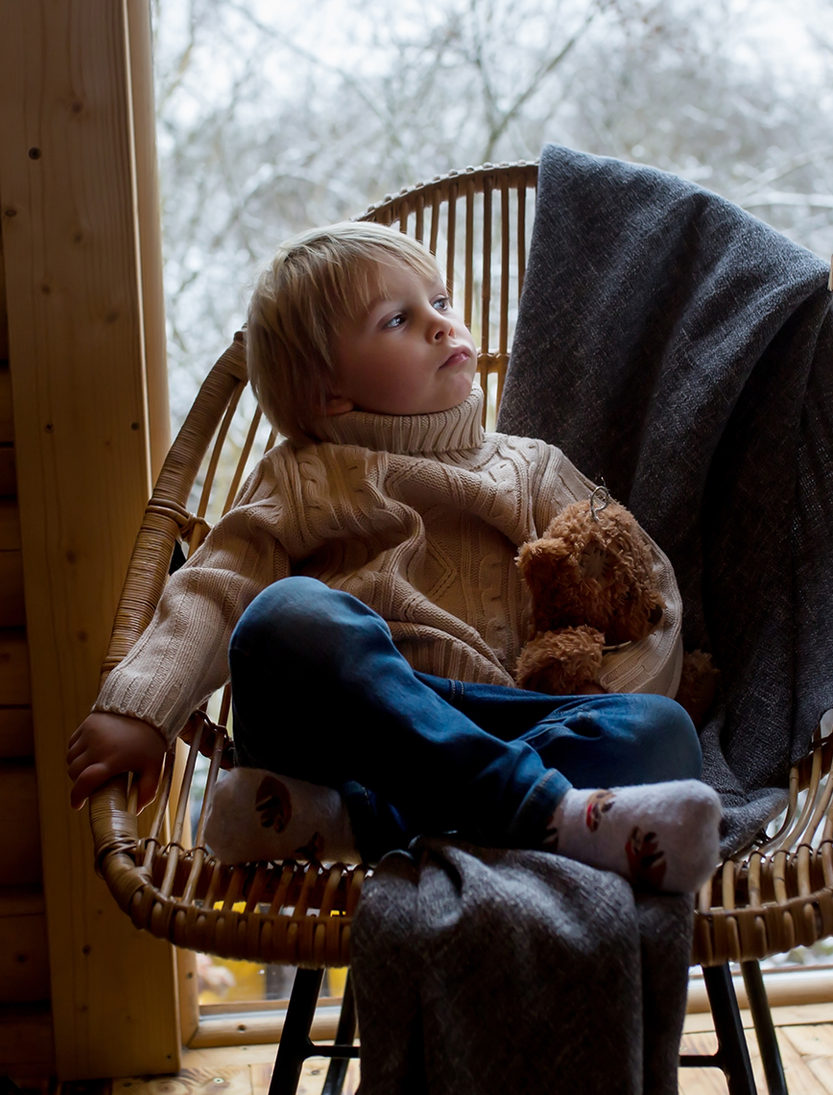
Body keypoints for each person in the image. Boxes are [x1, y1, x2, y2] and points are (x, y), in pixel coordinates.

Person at [65, 222, 720, 891]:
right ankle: (539, 810)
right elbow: (212, 589)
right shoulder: (301, 477)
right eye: (400, 319)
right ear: (333, 395)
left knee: (662, 731)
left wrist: (607, 687)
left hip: (500, 716)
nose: (442, 325)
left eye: (440, 302)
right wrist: (139, 709)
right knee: (285, 617)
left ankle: (357, 824)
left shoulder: (530, 467)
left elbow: (646, 590)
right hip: (347, 735)